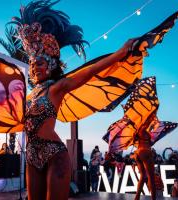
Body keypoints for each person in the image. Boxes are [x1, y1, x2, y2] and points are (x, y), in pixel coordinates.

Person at [10, 1, 135, 200]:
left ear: (51, 65)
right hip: (31, 157)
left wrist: (120, 53)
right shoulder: (30, 96)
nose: (34, 68)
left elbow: (91, 71)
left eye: (39, 63)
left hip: (55, 155)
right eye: (32, 64)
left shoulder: (57, 88)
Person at [134, 113, 156, 200]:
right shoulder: (142, 129)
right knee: (151, 177)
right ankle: (153, 199)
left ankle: (137, 197)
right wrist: (152, 114)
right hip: (145, 152)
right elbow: (148, 121)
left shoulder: (139, 131)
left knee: (143, 176)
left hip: (138, 154)